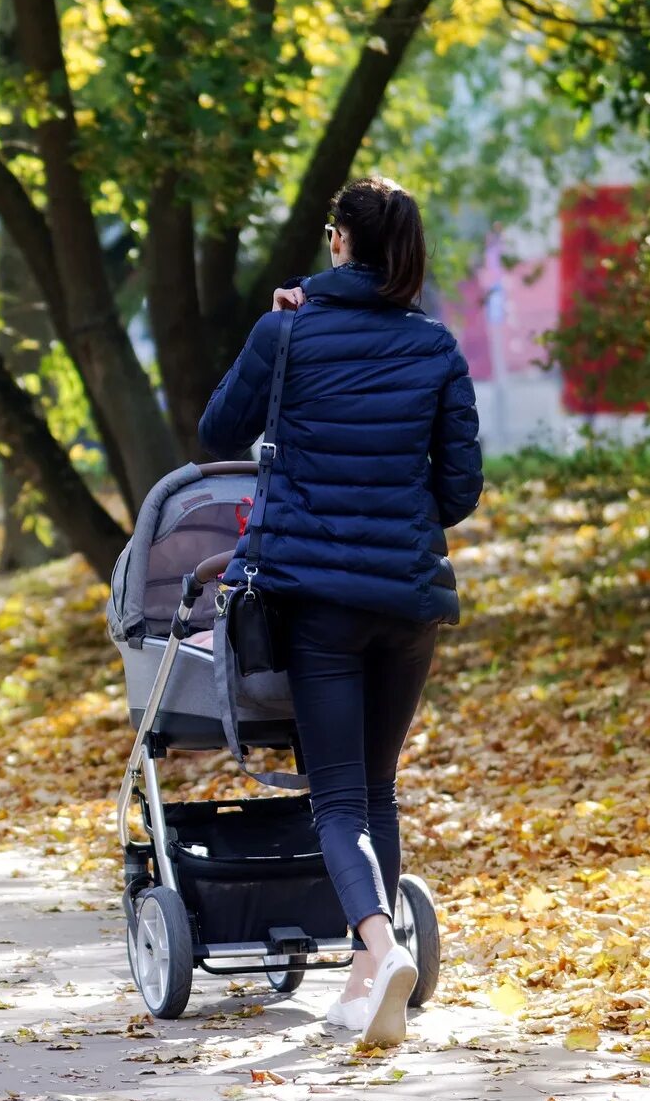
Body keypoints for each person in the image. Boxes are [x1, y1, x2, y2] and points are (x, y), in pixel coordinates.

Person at [198, 175, 482, 1047]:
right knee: (378, 786)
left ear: (339, 241)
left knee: (337, 798)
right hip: (407, 600)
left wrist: (282, 336)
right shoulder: (436, 348)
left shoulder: (284, 330)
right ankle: (370, 978)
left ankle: (379, 943)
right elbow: (459, 491)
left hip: (318, 601)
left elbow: (218, 433)